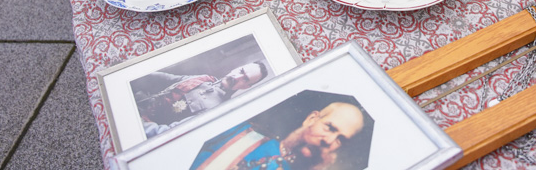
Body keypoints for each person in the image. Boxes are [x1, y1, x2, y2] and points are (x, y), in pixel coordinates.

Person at [190, 101, 368, 170]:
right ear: (312, 119)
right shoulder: (241, 133)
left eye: (340, 140)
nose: (328, 141)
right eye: (329, 128)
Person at [133, 61, 269, 137]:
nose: (237, 77)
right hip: (139, 104)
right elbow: (161, 79)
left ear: (246, 87)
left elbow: (165, 134)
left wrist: (136, 123)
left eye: (245, 79)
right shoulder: (206, 79)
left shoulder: (216, 109)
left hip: (140, 126)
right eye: (241, 71)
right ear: (236, 67)